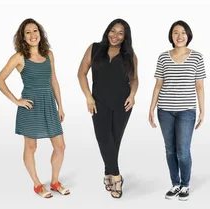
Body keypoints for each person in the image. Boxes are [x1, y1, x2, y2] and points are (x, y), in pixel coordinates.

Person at [0, 18, 69, 199]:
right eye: (27, 32)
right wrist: (16, 101)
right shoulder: (19, 57)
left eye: (35, 31)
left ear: (40, 33)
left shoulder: (49, 54)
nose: (32, 35)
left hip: (49, 104)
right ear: (22, 37)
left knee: (60, 146)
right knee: (31, 147)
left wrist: (60, 106)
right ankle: (37, 184)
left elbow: (53, 81)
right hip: (31, 105)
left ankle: (54, 181)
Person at [77, 18, 138, 199]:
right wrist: (88, 96)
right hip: (99, 102)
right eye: (113, 31)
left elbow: (134, 79)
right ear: (107, 31)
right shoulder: (94, 48)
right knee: (104, 138)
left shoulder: (129, 54)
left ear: (125, 36)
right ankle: (117, 177)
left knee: (114, 141)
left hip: (123, 103)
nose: (115, 36)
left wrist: (132, 95)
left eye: (120, 33)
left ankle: (107, 174)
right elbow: (81, 73)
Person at [148, 20, 205, 201]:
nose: (179, 36)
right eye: (175, 33)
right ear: (171, 36)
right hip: (164, 110)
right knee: (170, 150)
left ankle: (185, 185)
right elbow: (158, 85)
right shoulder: (163, 57)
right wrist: (151, 109)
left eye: (183, 32)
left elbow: (200, 86)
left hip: (186, 111)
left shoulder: (197, 57)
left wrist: (202, 110)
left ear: (188, 35)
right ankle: (175, 184)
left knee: (183, 150)